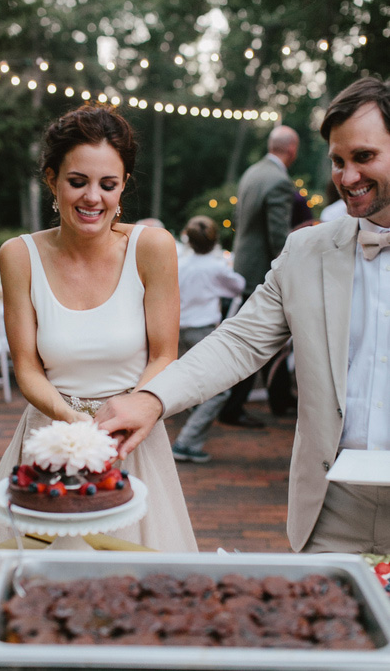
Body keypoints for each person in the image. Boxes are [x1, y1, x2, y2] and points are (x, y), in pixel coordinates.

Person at [96, 76, 390, 555]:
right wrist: (152, 399)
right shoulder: (306, 252)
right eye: (338, 161)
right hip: (332, 510)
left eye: (364, 157)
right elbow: (238, 341)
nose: (347, 176)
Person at [0, 104, 197, 555]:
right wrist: (76, 426)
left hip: (132, 441)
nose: (93, 197)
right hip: (52, 440)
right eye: (78, 182)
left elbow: (164, 354)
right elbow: (28, 369)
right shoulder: (19, 256)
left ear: (123, 186)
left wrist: (125, 418)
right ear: (52, 179)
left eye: (108, 185)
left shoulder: (152, 248)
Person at [218, 125, 299, 425]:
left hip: (244, 265)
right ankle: (233, 406)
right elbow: (278, 236)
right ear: (291, 149)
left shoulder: (253, 172)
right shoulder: (279, 180)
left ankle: (280, 398)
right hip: (262, 270)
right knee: (257, 337)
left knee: (270, 334)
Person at [171, 216, 245, 463]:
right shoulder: (215, 268)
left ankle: (188, 435)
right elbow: (239, 286)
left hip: (177, 331)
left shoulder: (179, 264)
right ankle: (185, 442)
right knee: (219, 391)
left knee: (186, 383)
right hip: (202, 332)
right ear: (214, 240)